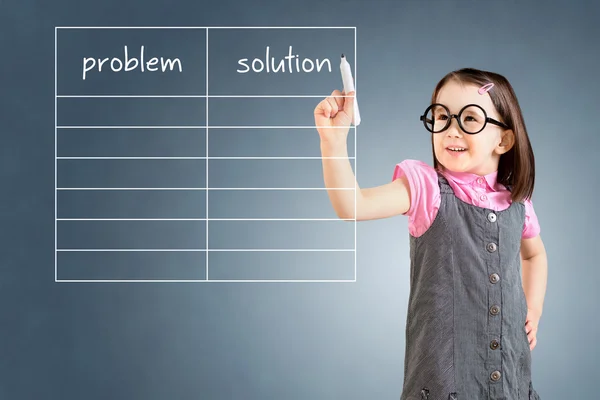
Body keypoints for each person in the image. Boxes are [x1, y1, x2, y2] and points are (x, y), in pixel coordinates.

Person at [314, 68, 547, 399]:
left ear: (504, 139)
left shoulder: (517, 201)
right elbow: (353, 205)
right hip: (442, 383)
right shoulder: (425, 187)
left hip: (511, 376)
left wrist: (533, 309)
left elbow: (534, 254)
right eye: (441, 117)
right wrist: (333, 142)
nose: (451, 130)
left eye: (469, 119)